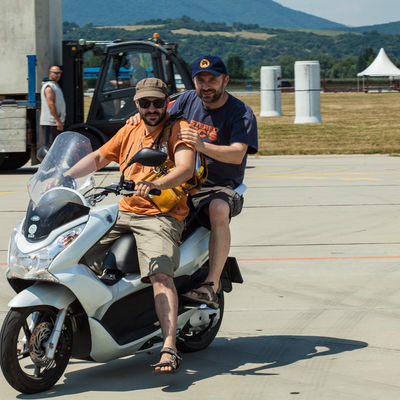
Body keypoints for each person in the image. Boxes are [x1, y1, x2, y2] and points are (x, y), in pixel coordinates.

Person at [64, 77, 195, 374]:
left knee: (160, 274)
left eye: (157, 103)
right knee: (72, 253)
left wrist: (157, 183)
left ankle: (169, 346)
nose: (151, 108)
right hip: (122, 210)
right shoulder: (131, 127)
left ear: (166, 103)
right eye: (145, 103)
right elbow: (99, 156)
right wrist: (64, 178)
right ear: (136, 103)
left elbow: (186, 167)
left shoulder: (178, 129)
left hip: (160, 214)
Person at [127, 56, 258, 309]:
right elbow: (160, 114)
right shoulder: (188, 99)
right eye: (201, 80)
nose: (206, 86)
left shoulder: (241, 113)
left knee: (218, 209)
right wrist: (138, 115)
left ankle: (211, 284)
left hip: (218, 186)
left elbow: (237, 154)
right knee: (137, 204)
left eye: (212, 80)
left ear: (225, 81)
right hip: (182, 181)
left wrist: (202, 145)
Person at [39, 65, 66, 148]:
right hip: (51, 123)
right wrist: (57, 121)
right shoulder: (49, 87)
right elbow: (51, 104)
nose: (58, 75)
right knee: (51, 147)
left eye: (59, 73)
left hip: (55, 123)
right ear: (50, 73)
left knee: (56, 147)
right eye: (56, 73)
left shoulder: (55, 85)